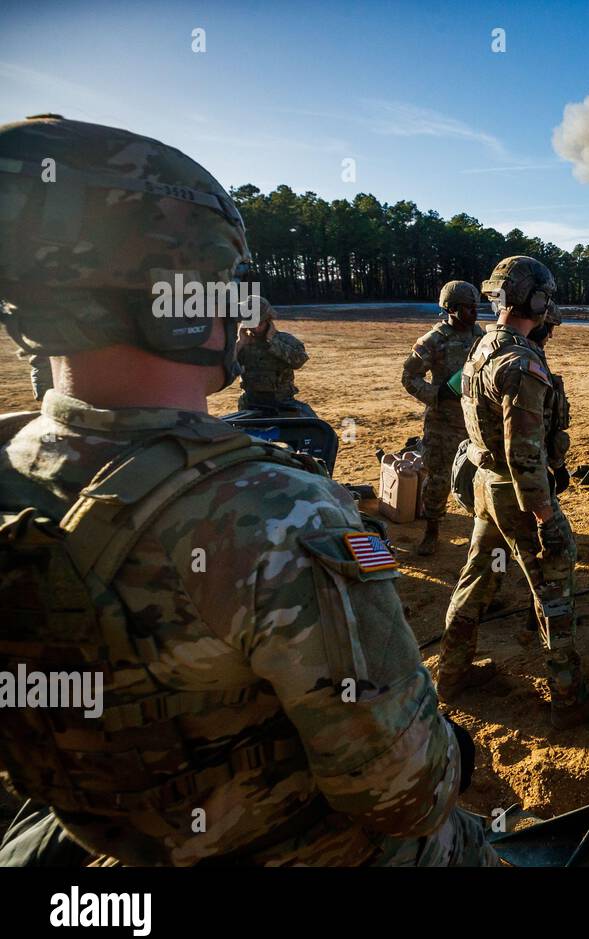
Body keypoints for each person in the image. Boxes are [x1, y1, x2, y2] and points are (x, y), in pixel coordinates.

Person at [0, 115, 494, 867]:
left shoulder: (14, 467)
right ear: (188, 289)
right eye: (227, 283)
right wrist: (452, 754)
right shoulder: (276, 513)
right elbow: (405, 795)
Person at [438, 256, 589, 729]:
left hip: (484, 484)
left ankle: (452, 675)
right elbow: (524, 456)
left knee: (477, 575)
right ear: (537, 299)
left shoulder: (481, 348)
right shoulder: (521, 364)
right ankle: (569, 697)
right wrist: (545, 517)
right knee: (554, 587)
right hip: (516, 493)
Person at [401, 280, 484, 555]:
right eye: (467, 307)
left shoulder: (479, 335)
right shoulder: (433, 340)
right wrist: (437, 394)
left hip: (476, 422)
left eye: (475, 306)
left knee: (477, 476)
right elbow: (409, 377)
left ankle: (479, 532)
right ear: (450, 308)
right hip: (443, 423)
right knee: (438, 478)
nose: (474, 312)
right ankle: (432, 530)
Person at [235, 296, 314, 417]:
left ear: (268, 320)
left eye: (260, 323)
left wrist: (272, 341)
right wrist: (240, 343)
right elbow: (224, 368)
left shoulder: (285, 340)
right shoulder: (243, 344)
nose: (256, 328)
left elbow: (298, 361)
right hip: (250, 405)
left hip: (282, 404)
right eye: (251, 323)